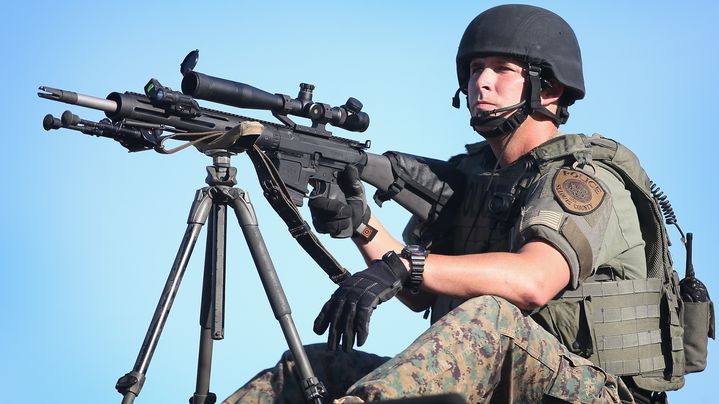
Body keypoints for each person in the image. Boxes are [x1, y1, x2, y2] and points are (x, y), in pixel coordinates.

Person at [225, 4, 681, 403]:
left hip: (589, 392)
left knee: (490, 313)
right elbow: (420, 294)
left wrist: (405, 266)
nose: (480, 82)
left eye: (502, 69)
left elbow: (532, 281)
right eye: (475, 68)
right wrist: (363, 225)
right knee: (311, 371)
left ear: (549, 90)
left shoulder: (581, 180)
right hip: (503, 382)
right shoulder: (476, 175)